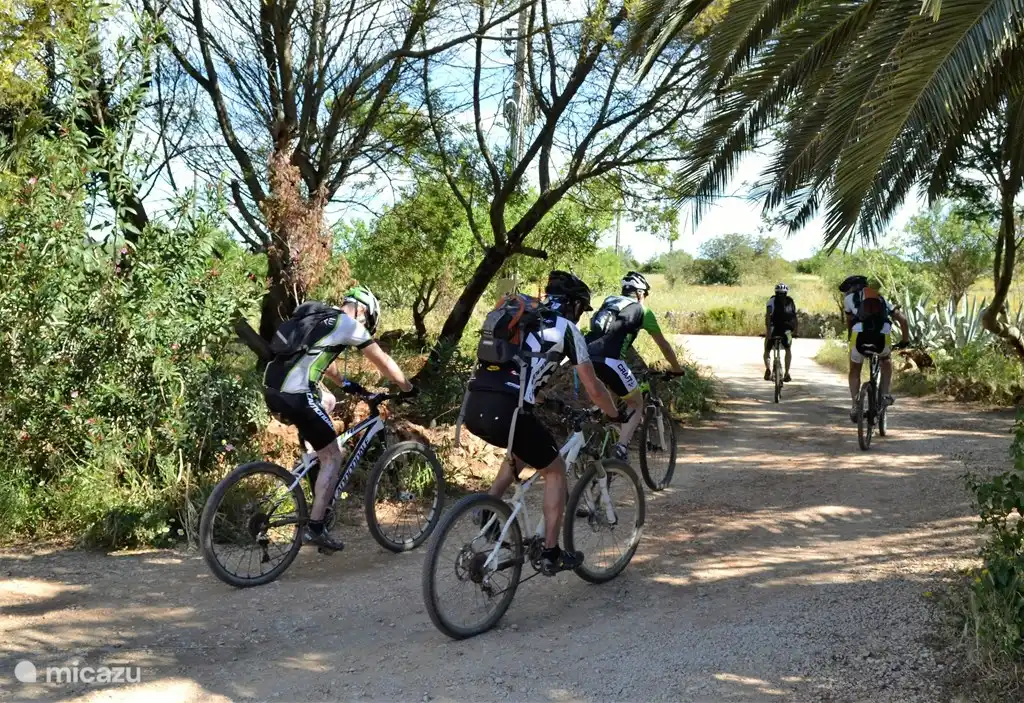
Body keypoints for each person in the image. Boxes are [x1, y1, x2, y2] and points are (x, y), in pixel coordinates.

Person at [462, 271, 623, 576]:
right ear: (575, 305)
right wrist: (615, 413)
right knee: (556, 470)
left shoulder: (524, 316)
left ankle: (489, 510)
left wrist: (547, 401)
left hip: (475, 407)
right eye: (581, 309)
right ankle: (551, 552)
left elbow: (521, 372)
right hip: (509, 410)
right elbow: (593, 387)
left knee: (523, 446)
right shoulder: (566, 329)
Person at [262, 285, 416, 552]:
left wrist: (344, 382)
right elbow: (382, 361)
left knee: (329, 401)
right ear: (362, 310)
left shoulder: (321, 317)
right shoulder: (349, 325)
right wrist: (408, 387)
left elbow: (322, 356)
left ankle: (310, 460)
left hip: (272, 388)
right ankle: (315, 528)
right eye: (367, 321)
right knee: (334, 455)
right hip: (296, 395)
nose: (364, 325)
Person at [585, 271, 686, 460]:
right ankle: (621, 448)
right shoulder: (643, 311)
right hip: (611, 360)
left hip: (585, 356)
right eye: (645, 295)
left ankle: (594, 432)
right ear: (640, 294)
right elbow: (663, 345)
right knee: (635, 401)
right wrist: (676, 368)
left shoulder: (610, 302)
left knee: (610, 392)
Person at [842, 276, 910, 422]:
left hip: (859, 338)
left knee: (854, 370)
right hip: (881, 338)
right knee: (886, 360)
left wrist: (850, 337)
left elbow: (849, 321)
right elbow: (903, 320)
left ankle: (855, 405)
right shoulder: (881, 299)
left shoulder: (849, 300)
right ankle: (885, 395)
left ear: (853, 288)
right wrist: (905, 341)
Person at [763, 282, 799, 382]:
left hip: (774, 328)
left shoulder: (771, 301)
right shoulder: (790, 301)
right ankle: (787, 373)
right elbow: (794, 317)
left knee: (767, 350)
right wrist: (795, 331)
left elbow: (768, 316)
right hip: (787, 329)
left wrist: (768, 332)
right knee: (788, 349)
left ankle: (768, 369)